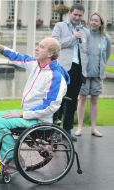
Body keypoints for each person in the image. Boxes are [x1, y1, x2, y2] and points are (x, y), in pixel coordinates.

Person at [0, 37, 70, 162]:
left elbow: (49, 107)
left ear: (50, 53)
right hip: (28, 115)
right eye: (38, 45)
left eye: (41, 47)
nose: (36, 48)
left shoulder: (55, 76)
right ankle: (8, 150)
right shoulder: (36, 64)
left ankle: (12, 158)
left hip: (40, 120)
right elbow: (16, 56)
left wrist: (22, 113)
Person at [52, 3, 90, 141]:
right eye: (75, 14)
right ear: (70, 13)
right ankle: (54, 129)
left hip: (78, 69)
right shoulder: (60, 26)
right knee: (59, 99)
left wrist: (85, 71)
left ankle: (67, 129)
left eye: (80, 15)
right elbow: (55, 45)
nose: (77, 17)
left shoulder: (85, 31)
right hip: (63, 67)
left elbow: (87, 51)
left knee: (73, 101)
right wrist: (73, 37)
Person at [75, 12, 111, 137]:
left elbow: (106, 54)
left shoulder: (106, 37)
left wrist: (100, 65)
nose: (94, 22)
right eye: (92, 20)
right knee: (82, 99)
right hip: (84, 73)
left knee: (95, 100)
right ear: (90, 21)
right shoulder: (84, 33)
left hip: (97, 74)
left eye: (97, 21)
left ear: (101, 23)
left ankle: (94, 128)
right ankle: (79, 127)